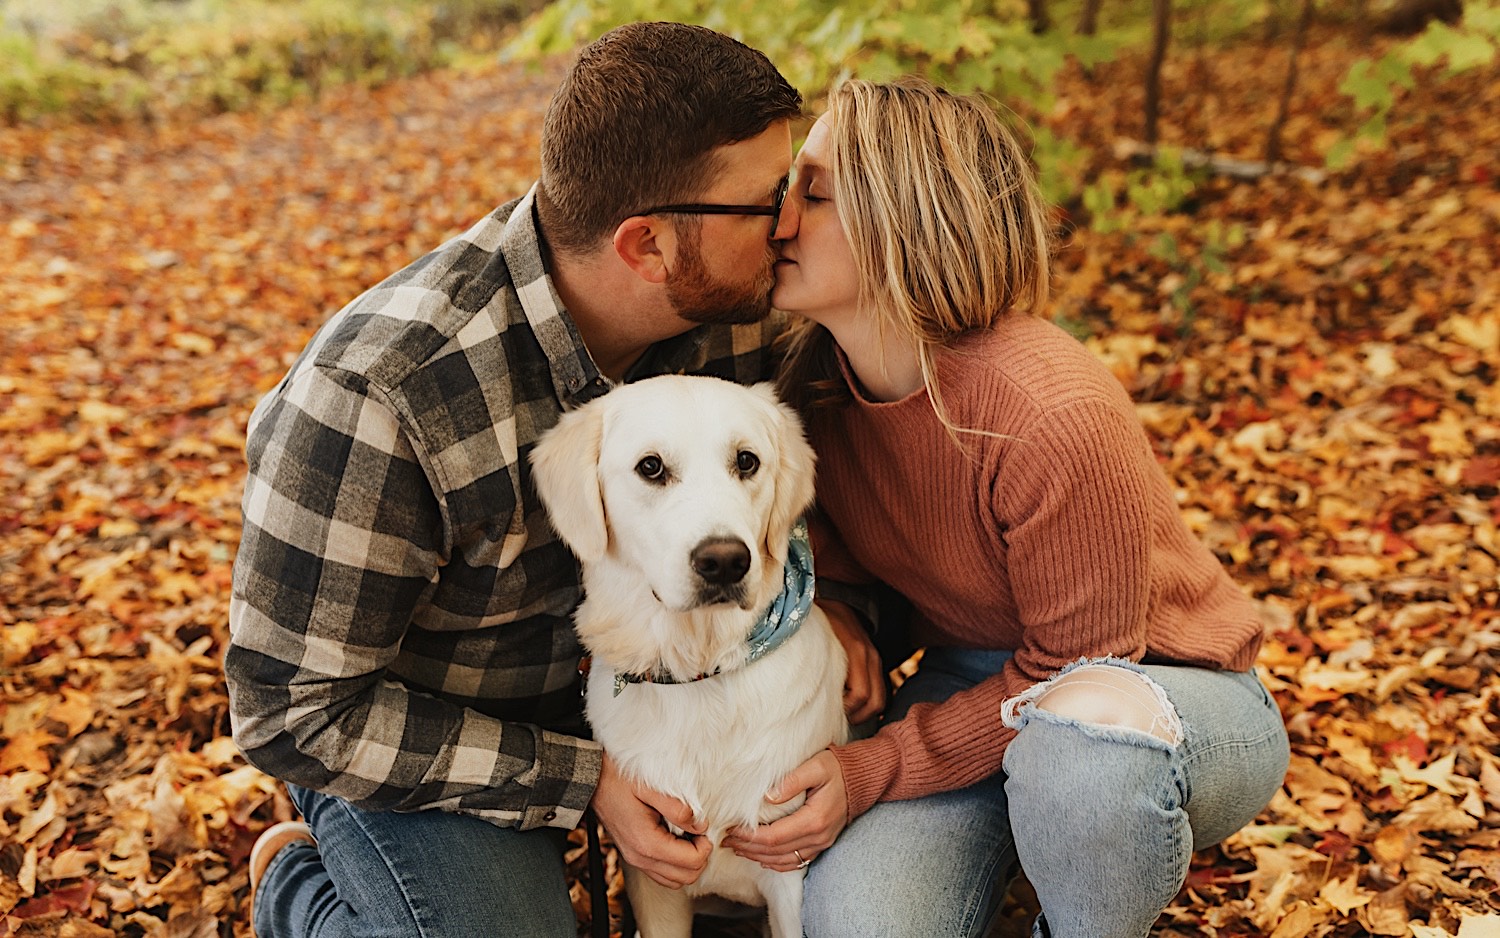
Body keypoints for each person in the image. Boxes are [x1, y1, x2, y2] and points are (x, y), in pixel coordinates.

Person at [225, 23, 885, 937]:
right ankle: (297, 891)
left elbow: (848, 486)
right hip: (444, 740)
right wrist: (583, 779)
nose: (791, 225)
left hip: (689, 707)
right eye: (765, 200)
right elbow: (289, 715)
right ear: (647, 245)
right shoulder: (378, 399)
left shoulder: (743, 311)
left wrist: (836, 601)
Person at [724, 77, 1291, 938]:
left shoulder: (1048, 412)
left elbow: (1076, 671)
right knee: (861, 924)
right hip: (972, 684)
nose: (780, 219)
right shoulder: (807, 398)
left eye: (813, 189)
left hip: (1155, 694)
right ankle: (1035, 849)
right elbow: (838, 558)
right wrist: (837, 611)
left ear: (901, 218)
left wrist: (877, 766)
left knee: (1078, 760)